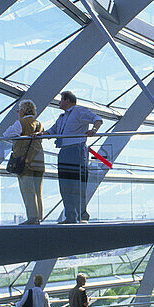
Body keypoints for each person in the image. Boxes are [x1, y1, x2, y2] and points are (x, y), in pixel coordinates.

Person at [44, 90, 102, 224]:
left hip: (77, 150)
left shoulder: (79, 111)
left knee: (78, 184)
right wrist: (42, 133)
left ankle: (82, 216)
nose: (59, 102)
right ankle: (70, 216)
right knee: (65, 185)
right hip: (64, 151)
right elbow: (52, 130)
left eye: (61, 99)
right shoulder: (61, 117)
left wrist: (94, 130)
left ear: (67, 101)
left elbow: (97, 119)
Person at [2, 98, 45, 223]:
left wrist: (18, 140)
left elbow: (7, 135)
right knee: (38, 191)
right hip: (39, 161)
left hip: (25, 162)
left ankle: (32, 217)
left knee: (27, 190)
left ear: (23, 111)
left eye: (19, 110)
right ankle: (39, 217)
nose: (18, 112)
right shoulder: (39, 124)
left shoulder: (21, 123)